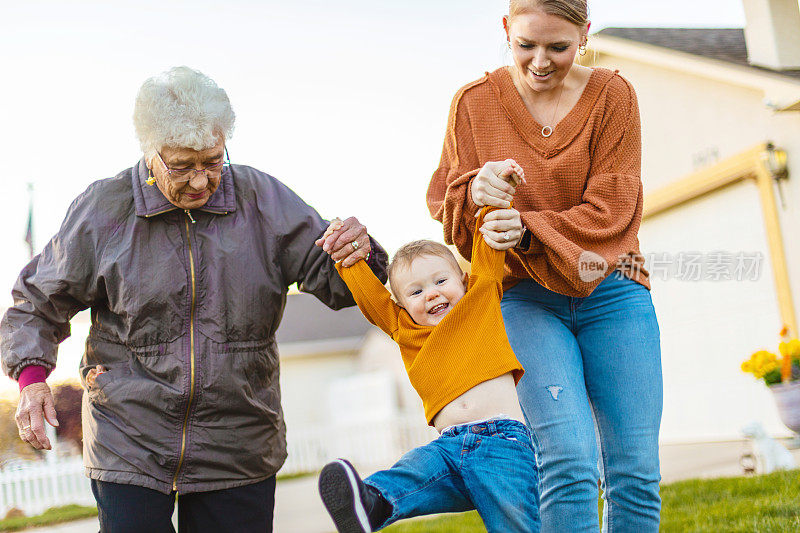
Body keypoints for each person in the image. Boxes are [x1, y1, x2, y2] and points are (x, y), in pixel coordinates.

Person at [0, 66, 387, 533]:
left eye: (213, 161)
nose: (201, 181)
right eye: (182, 166)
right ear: (150, 155)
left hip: (237, 436)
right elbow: (37, 301)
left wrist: (358, 256)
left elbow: (340, 282)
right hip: (130, 435)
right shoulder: (104, 208)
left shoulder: (262, 200)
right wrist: (33, 379)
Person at [426, 1, 662, 531]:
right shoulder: (473, 103)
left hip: (614, 288)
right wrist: (477, 191)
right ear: (506, 30)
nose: (540, 61)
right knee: (570, 460)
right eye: (525, 44)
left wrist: (528, 228)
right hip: (524, 297)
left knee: (636, 468)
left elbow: (614, 209)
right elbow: (451, 205)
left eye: (558, 47)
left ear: (584, 35)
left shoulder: (612, 95)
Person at [314, 202, 540, 533]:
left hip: (501, 443)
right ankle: (371, 504)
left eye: (440, 281)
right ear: (402, 305)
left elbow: (487, 247)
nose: (431, 294)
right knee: (413, 471)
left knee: (514, 524)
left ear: (463, 280)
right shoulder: (405, 329)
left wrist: (494, 196)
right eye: (416, 291)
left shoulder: (481, 298)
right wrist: (345, 257)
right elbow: (371, 297)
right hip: (447, 449)